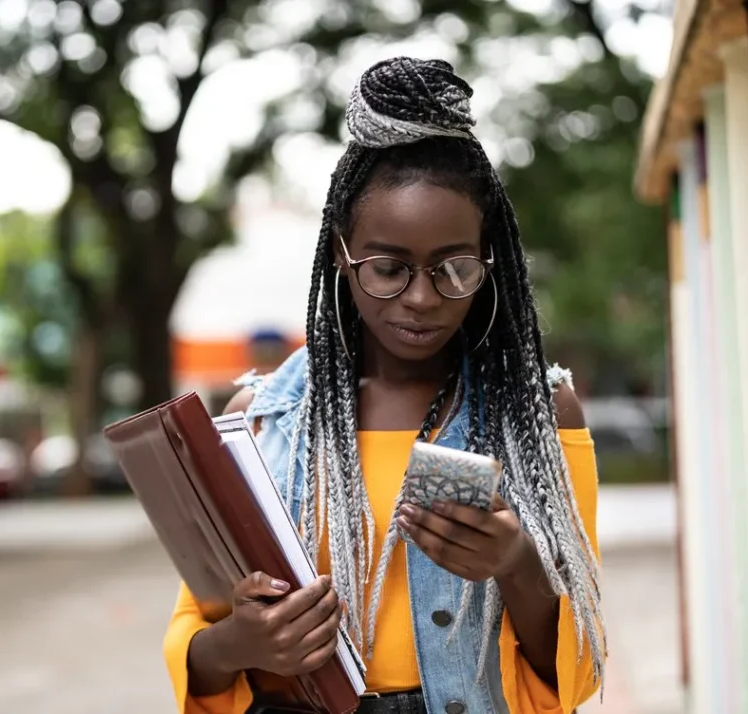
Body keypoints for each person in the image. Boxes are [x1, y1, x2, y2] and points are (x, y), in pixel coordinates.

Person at [163, 56, 605, 714]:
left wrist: (516, 563)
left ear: (491, 257)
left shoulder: (537, 412)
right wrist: (242, 644)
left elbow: (577, 666)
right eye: (388, 268)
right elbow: (195, 635)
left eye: (454, 268)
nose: (422, 299)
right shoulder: (263, 419)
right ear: (342, 253)